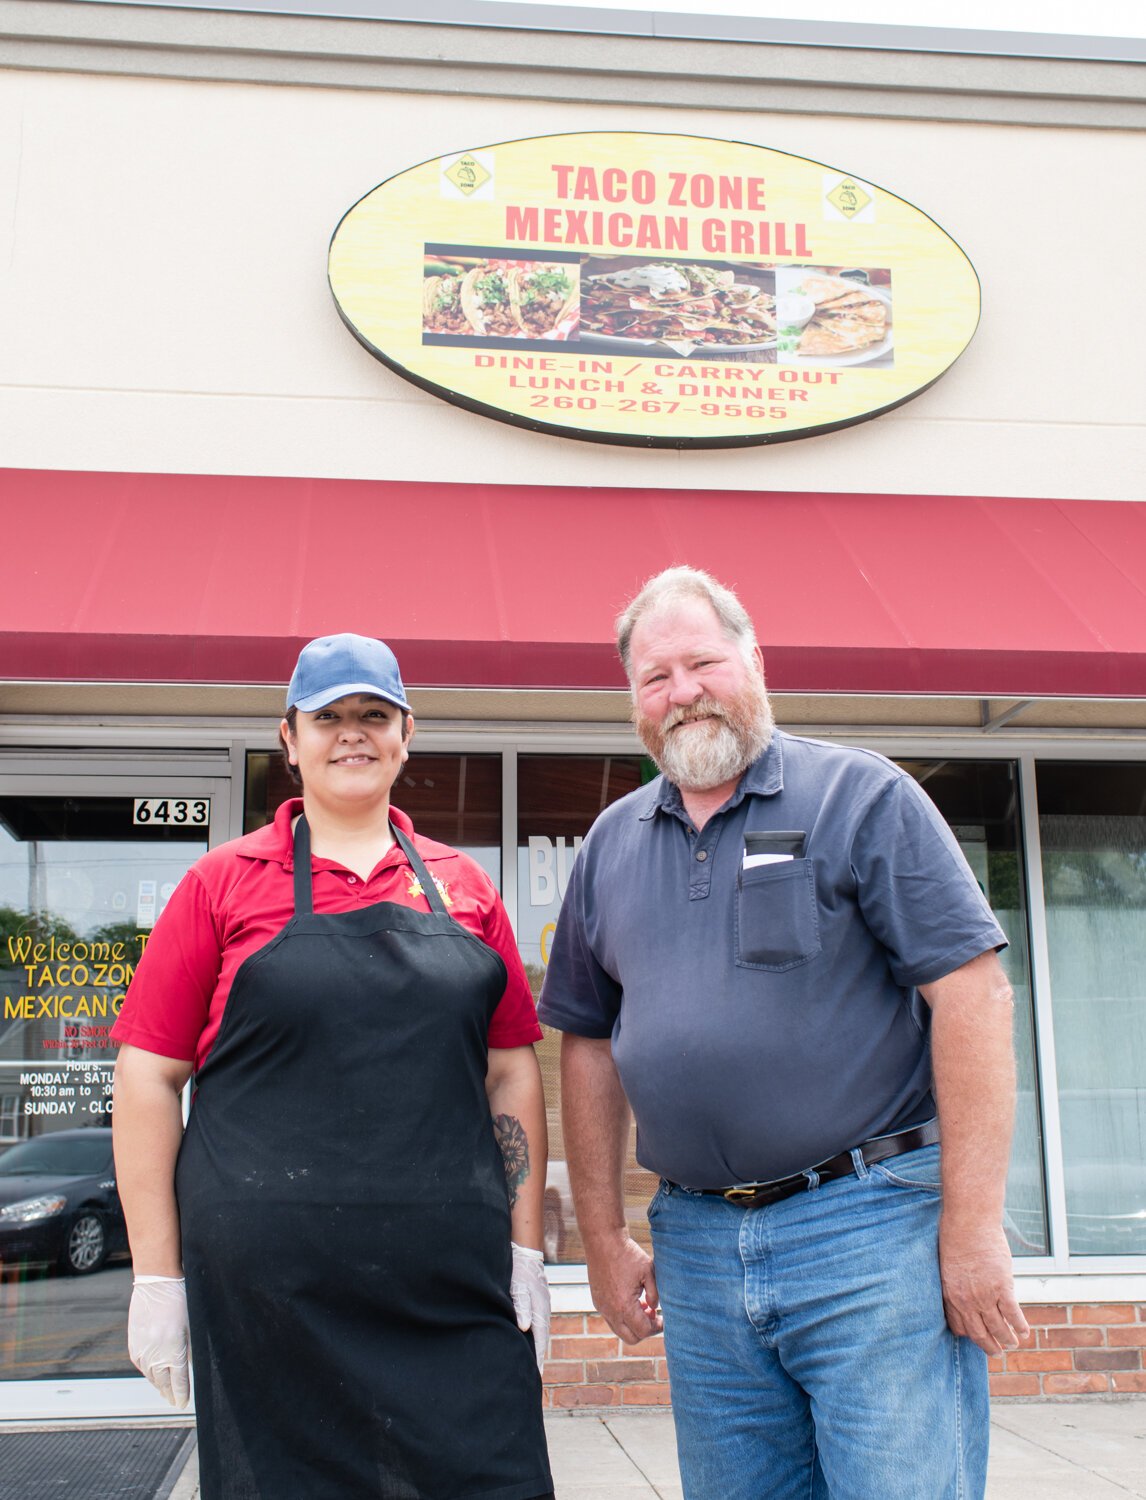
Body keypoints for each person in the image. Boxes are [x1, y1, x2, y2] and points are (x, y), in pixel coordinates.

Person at [537, 567, 1030, 1500]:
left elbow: (974, 998)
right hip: (697, 1244)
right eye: (655, 678)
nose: (682, 693)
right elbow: (589, 1043)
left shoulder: (862, 798)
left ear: (755, 660)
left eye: (702, 663)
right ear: (633, 700)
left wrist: (969, 1229)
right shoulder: (608, 844)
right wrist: (602, 1234)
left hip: (870, 1230)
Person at [112, 632, 553, 1500]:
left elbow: (511, 1070)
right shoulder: (220, 883)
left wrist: (525, 1251)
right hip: (275, 1295)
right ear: (290, 739)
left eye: (372, 716)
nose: (352, 734)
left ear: (405, 733)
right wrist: (157, 1276)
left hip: (448, 1286)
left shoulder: (464, 887)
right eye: (329, 718)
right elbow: (148, 1076)